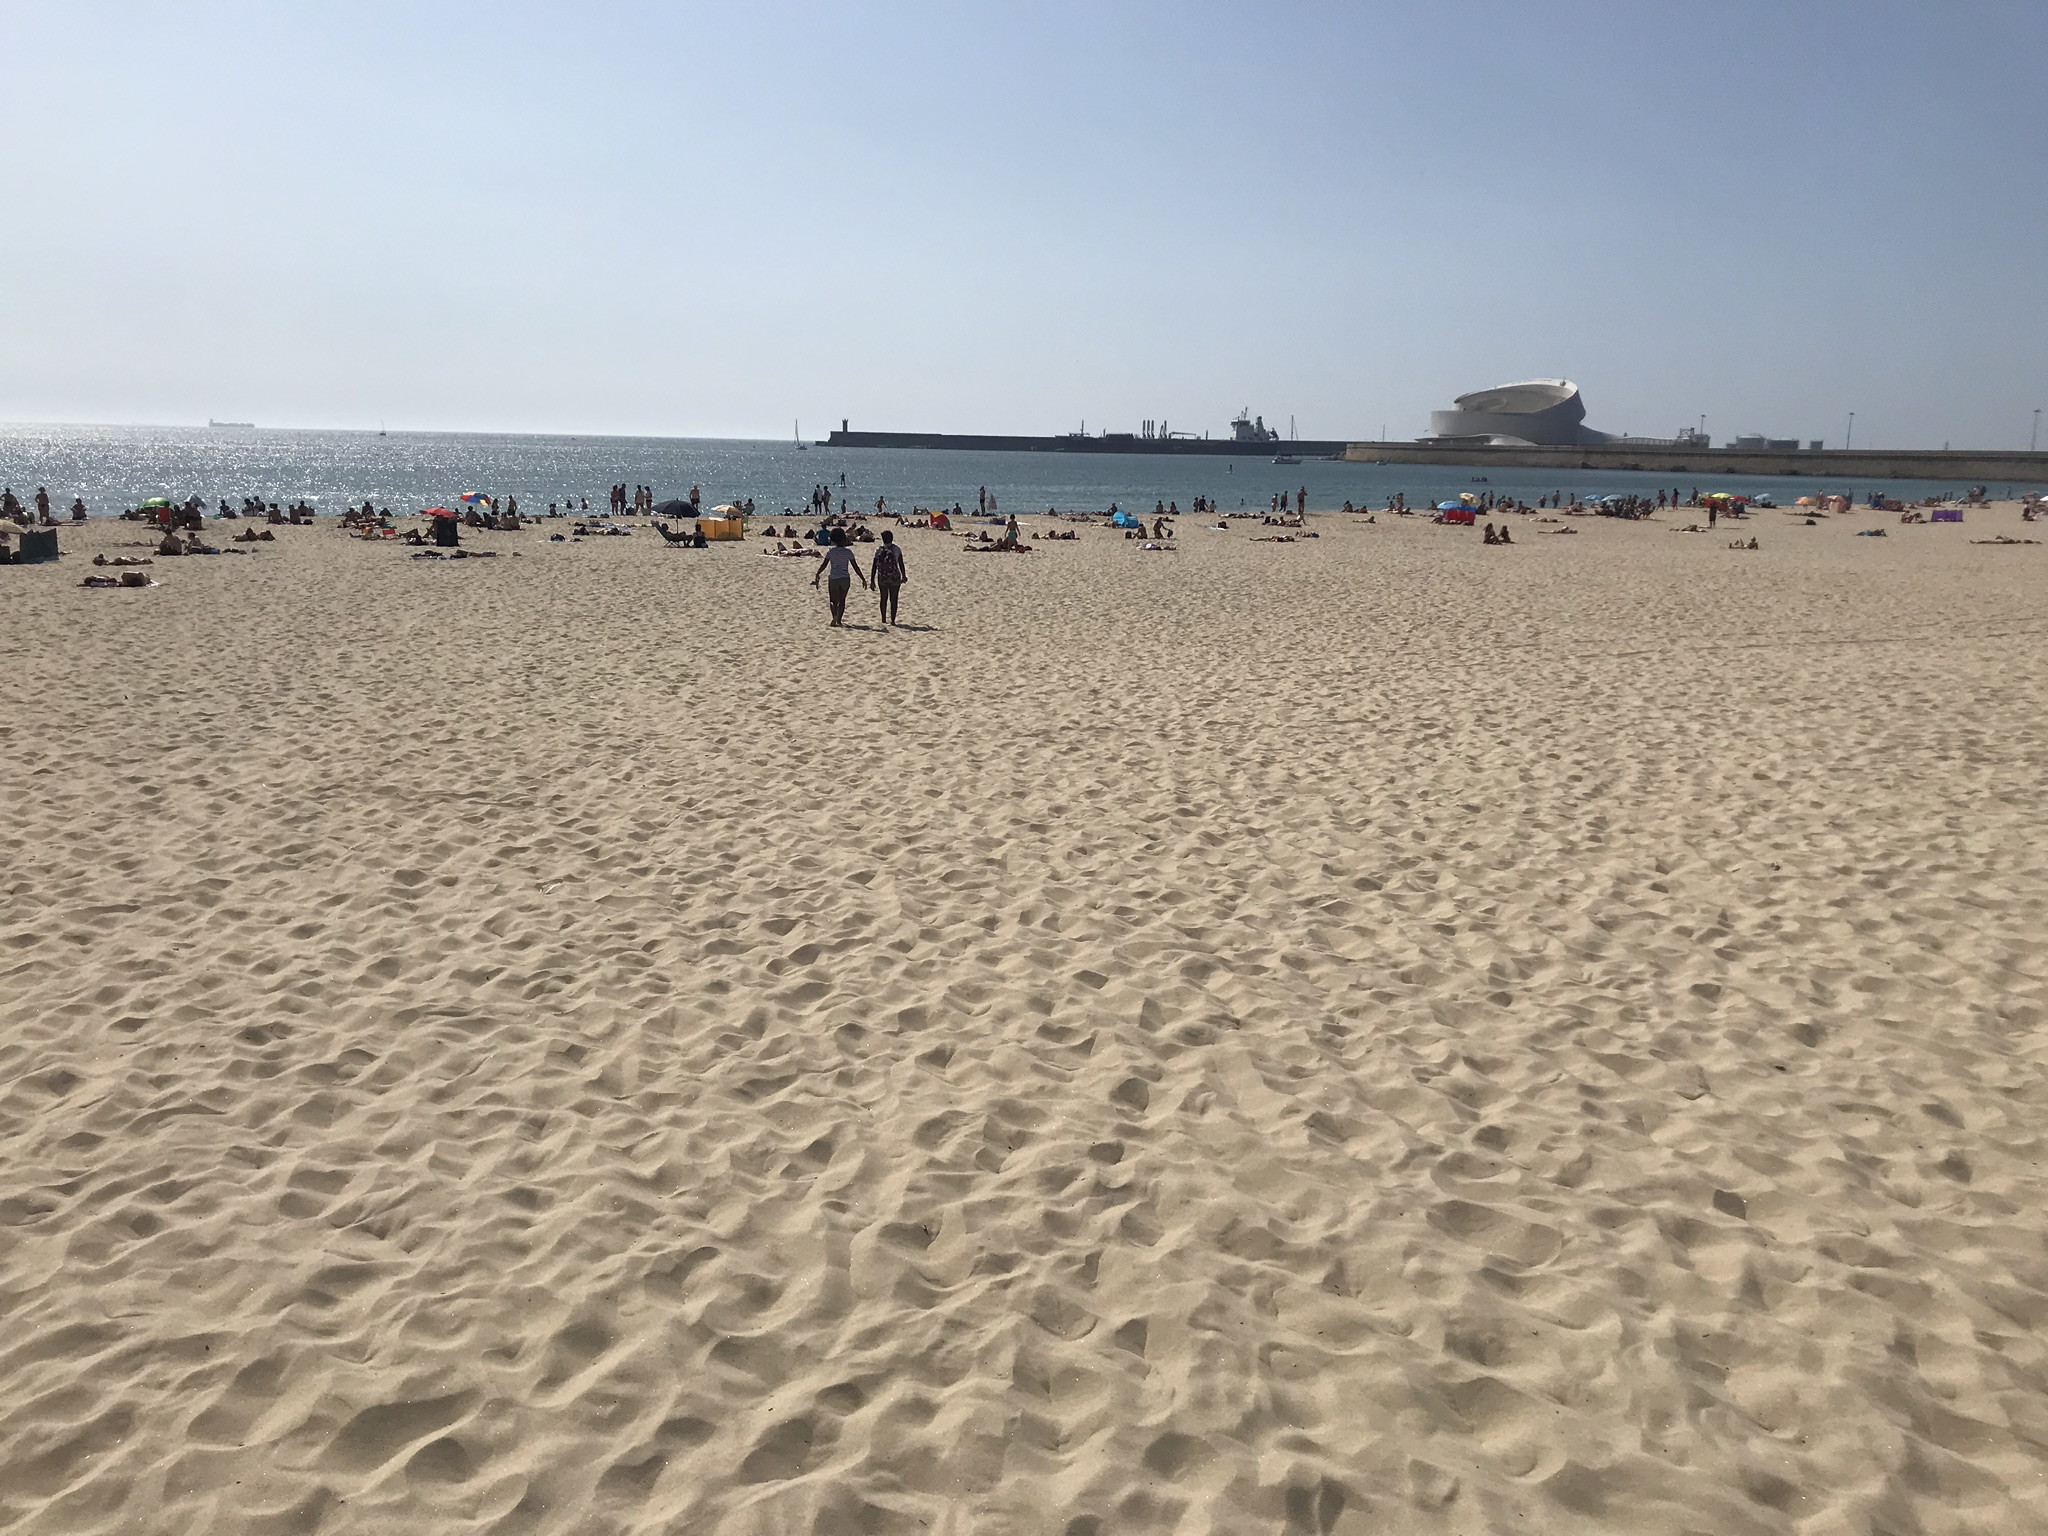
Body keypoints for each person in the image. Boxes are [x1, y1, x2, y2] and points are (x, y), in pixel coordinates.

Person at [812, 528, 867, 626]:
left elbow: (824, 565)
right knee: (842, 601)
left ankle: (834, 617)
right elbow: (855, 567)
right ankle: (839, 620)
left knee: (833, 601)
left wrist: (818, 573)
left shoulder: (831, 552)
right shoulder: (848, 552)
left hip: (834, 578)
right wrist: (862, 578)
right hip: (845, 578)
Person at [872, 528, 907, 625]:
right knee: (894, 599)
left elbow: (874, 566)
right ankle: (893, 620)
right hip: (894, 577)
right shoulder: (896, 549)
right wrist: (904, 576)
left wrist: (872, 580)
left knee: (883, 598)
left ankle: (883, 619)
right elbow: (901, 564)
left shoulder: (878, 550)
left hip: (882, 577)